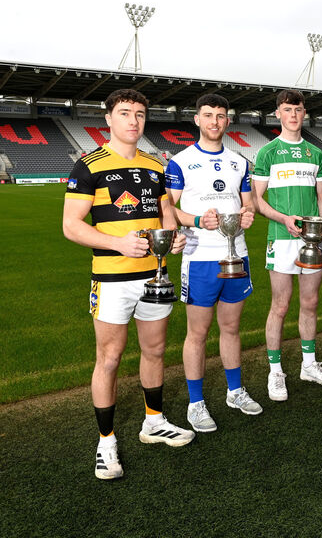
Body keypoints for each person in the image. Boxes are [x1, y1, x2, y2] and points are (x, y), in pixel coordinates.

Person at [63, 89, 194, 481]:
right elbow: (71, 226)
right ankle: (106, 442)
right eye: (125, 113)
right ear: (108, 119)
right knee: (110, 358)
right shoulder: (89, 165)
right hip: (112, 277)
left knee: (154, 350)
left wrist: (174, 236)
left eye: (140, 114)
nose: (134, 120)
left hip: (154, 275)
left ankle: (153, 421)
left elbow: (166, 211)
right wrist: (118, 243)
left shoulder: (156, 165)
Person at [165, 93, 262, 433]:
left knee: (232, 328)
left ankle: (235, 391)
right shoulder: (180, 161)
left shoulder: (239, 162)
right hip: (200, 257)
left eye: (221, 116)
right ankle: (196, 403)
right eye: (208, 115)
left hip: (237, 253)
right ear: (197, 120)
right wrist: (194, 220)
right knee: (198, 332)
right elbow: (169, 208)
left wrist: (247, 215)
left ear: (227, 121)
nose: (215, 121)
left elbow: (248, 203)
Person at [252, 89, 322, 402]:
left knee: (311, 302)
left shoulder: (316, 155)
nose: (293, 114)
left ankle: (308, 364)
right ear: (278, 113)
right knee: (280, 305)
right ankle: (275, 371)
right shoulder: (268, 153)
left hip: (312, 239)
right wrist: (284, 218)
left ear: (304, 114)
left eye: (298, 109)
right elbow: (257, 201)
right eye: (287, 109)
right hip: (281, 238)